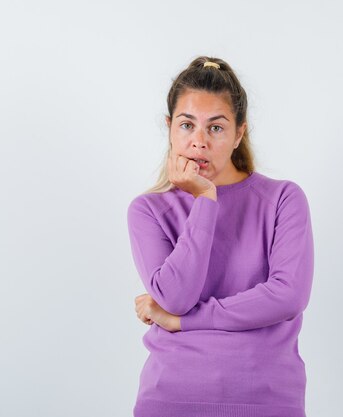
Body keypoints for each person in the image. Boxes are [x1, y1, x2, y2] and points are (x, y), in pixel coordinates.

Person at [126, 56, 315, 417]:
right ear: (169, 128)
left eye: (215, 128)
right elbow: (176, 297)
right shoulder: (147, 211)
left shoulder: (283, 199)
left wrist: (183, 322)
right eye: (186, 125)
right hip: (171, 401)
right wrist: (205, 200)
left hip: (267, 400)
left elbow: (287, 296)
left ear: (239, 133)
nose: (198, 142)